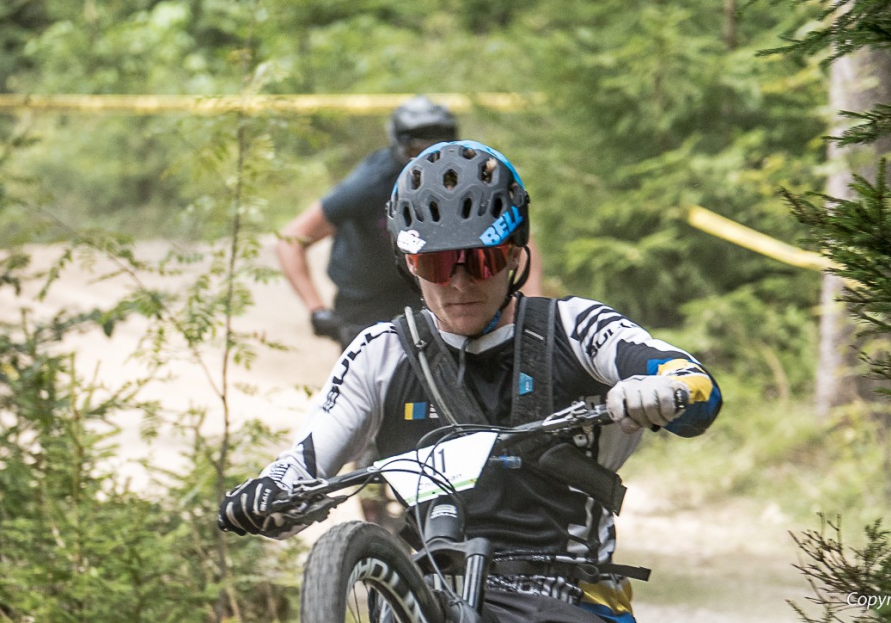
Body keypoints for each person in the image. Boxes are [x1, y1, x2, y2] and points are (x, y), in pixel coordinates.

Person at [221, 141, 723, 623]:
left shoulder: (574, 327)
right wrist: (267, 495)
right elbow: (305, 463)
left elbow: (696, 385)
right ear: (410, 266)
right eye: (438, 265)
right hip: (430, 587)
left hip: (566, 592)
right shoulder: (381, 352)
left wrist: (663, 389)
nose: (459, 283)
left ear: (512, 257)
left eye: (479, 260)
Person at [276, 94, 460, 350]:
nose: (428, 159)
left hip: (422, 290)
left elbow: (510, 232)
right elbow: (291, 240)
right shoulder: (371, 183)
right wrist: (317, 309)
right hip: (365, 302)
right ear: (398, 146)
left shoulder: (462, 177)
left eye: (438, 149)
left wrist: (529, 302)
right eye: (417, 150)